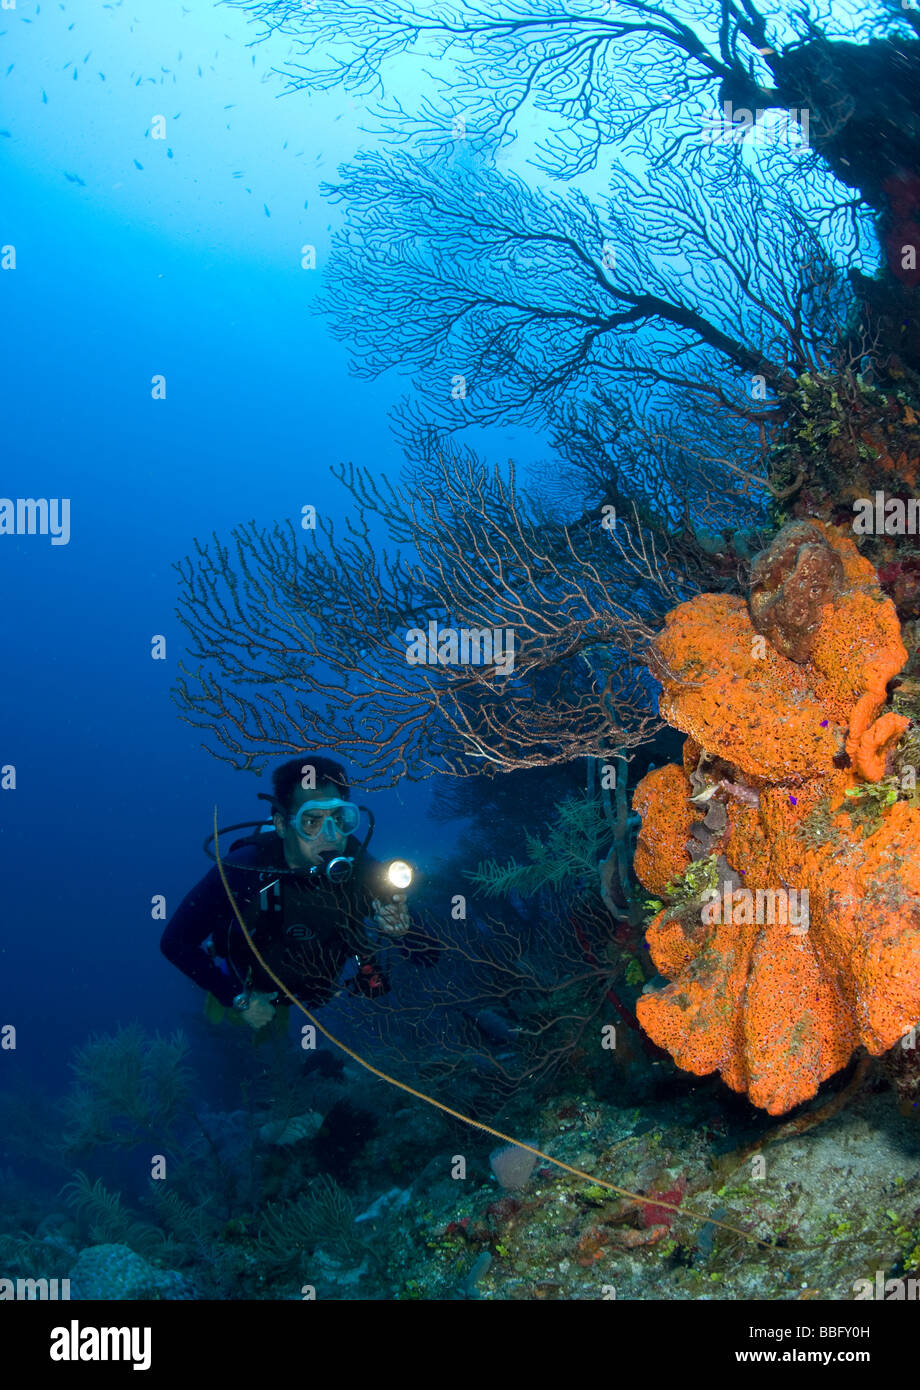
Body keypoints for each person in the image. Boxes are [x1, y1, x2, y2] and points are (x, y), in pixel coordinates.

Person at [161, 755, 438, 1030]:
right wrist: (237, 998)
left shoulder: (359, 868)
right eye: (311, 822)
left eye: (340, 819)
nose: (330, 835)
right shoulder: (244, 869)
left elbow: (430, 955)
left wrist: (404, 930)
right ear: (282, 825)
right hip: (249, 986)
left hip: (313, 992)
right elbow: (175, 942)